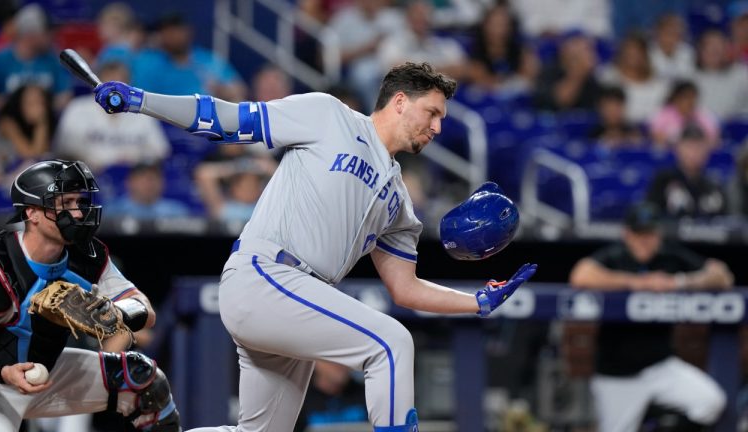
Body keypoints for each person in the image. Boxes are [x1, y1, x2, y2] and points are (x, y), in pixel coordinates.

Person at [92, 61, 537, 431]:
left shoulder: (400, 201)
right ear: (400, 101)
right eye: (433, 112)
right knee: (390, 343)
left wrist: (476, 302)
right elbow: (227, 119)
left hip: (299, 299)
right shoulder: (330, 116)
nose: (438, 127)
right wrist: (140, 101)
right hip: (265, 275)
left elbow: (405, 288)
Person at [0, 159, 181, 432]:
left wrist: (114, 313)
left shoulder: (87, 255)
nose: (76, 213)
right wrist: (3, 372)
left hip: (48, 372)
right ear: (32, 213)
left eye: (78, 202)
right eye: (65, 203)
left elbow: (146, 311)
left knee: (142, 379)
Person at [569, 202, 731, 432]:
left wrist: (678, 282)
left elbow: (721, 276)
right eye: (639, 234)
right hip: (617, 373)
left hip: (660, 366)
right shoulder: (616, 256)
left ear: (659, 234)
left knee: (710, 402)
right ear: (628, 234)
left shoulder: (669, 256)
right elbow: (580, 275)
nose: (645, 240)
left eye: (650, 234)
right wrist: (637, 283)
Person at [53, 61, 171, 173]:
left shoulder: (143, 112)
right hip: (90, 176)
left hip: (132, 178)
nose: (114, 91)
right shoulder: (77, 108)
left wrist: (134, 160)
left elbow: (160, 151)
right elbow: (65, 149)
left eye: (120, 84)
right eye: (109, 84)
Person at [646, 124, 728, 219]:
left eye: (698, 147)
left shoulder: (714, 185)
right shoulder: (663, 180)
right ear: (678, 149)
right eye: (689, 147)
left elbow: (725, 221)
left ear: (707, 152)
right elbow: (650, 215)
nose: (693, 153)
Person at [103, 161, 191, 220]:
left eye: (154, 178)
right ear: (129, 182)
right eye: (143, 178)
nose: (149, 184)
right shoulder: (113, 210)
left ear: (163, 183)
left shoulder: (177, 211)